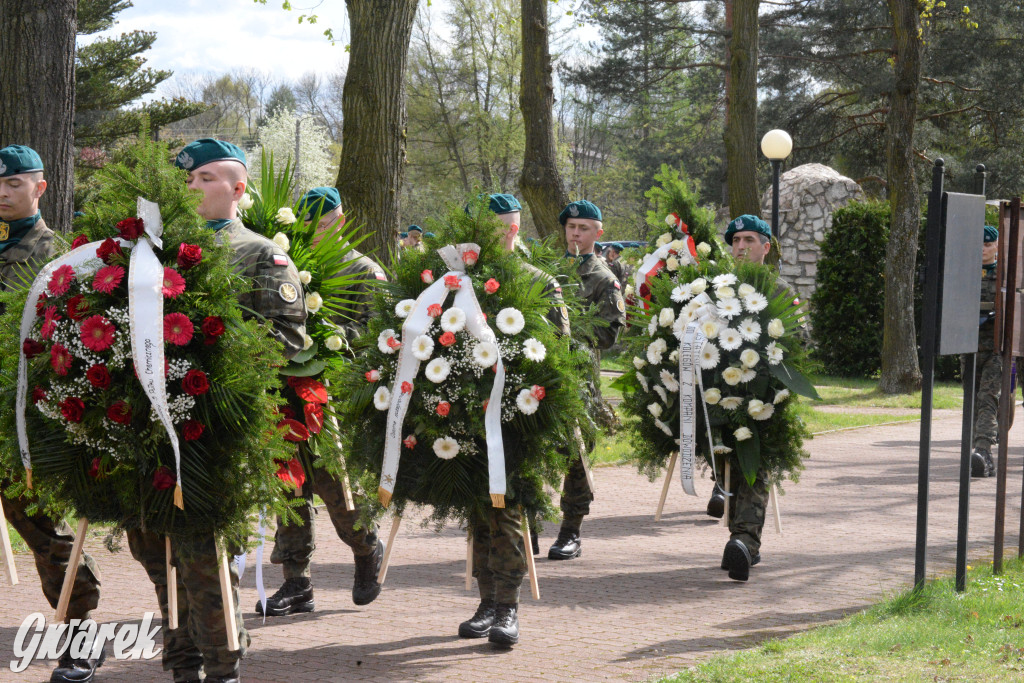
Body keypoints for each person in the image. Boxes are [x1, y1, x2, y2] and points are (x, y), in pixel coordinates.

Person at [126, 138, 307, 683]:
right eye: (188, 179)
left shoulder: (259, 254)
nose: (194, 187)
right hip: (151, 424)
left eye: (206, 177)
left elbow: (288, 338)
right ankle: (181, 654)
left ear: (238, 188)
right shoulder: (151, 252)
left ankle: (222, 659)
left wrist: (212, 358)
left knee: (203, 550)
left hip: (216, 426)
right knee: (154, 548)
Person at [0, 144, 105, 683]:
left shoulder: (58, 256)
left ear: (40, 188)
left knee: (44, 532)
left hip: (20, 419)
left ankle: (79, 635)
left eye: (14, 183)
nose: (2, 192)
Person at [258, 186, 384, 616]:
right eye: (309, 227)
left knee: (336, 486)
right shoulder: (290, 263)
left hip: (335, 397)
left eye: (324, 225)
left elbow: (378, 333)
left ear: (341, 220)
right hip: (287, 391)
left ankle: (366, 548)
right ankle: (296, 582)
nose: (316, 235)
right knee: (288, 486)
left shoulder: (365, 272)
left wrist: (328, 344)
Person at [458, 193, 569, 647]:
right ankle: (486, 602)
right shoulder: (459, 281)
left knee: (506, 512)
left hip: (515, 416)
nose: (492, 235)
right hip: (464, 411)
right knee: (477, 515)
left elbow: (558, 348)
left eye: (500, 226)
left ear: (514, 228)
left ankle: (507, 608)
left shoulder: (539, 282)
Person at [712, 214, 794, 582]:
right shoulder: (718, 289)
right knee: (730, 464)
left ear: (766, 247)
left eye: (749, 240)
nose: (741, 247)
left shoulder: (779, 291)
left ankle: (745, 541)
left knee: (754, 465)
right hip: (722, 394)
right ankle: (739, 540)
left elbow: (799, 344)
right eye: (736, 241)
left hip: (764, 400)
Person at [545, 200, 625, 561]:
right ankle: (527, 524)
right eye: (571, 227)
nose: (575, 234)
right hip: (540, 372)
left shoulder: (604, 279)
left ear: (598, 233)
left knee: (575, 454)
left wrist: (566, 332)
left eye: (583, 228)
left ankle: (571, 530)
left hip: (579, 378)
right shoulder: (546, 270)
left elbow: (609, 334)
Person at [965, 224, 1001, 478]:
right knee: (972, 401)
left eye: (988, 244)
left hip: (996, 349)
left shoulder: (1006, 274)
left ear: (997, 246)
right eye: (980, 244)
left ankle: (983, 452)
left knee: (988, 399)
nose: (983, 249)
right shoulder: (966, 273)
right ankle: (977, 449)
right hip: (969, 346)